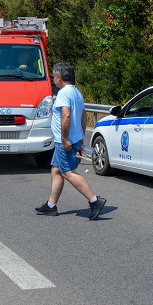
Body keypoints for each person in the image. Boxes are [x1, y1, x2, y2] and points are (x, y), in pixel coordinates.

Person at [36, 62, 107, 220]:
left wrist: (65, 139)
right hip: (73, 138)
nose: (54, 80)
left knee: (67, 172)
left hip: (65, 141)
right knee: (56, 170)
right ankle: (51, 205)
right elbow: (83, 116)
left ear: (59, 77)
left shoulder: (63, 93)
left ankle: (94, 201)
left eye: (54, 77)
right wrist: (81, 136)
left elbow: (66, 116)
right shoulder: (77, 92)